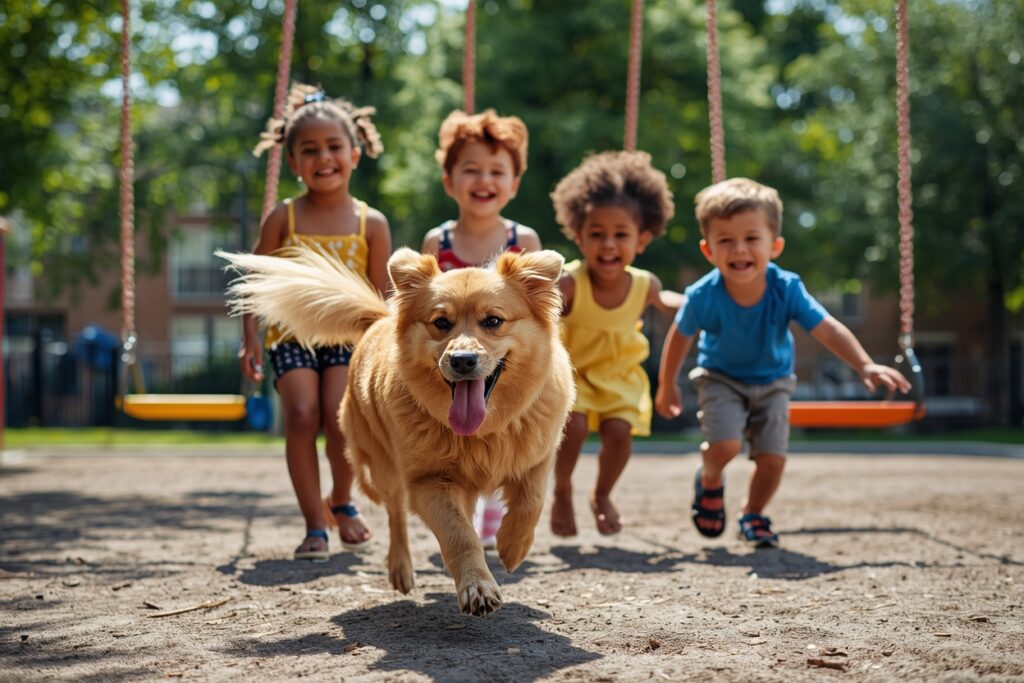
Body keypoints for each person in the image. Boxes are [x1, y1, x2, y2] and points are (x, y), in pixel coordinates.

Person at [654, 177, 911, 548]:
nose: (739, 249)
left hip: (774, 381)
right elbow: (680, 336)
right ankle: (710, 479)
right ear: (709, 250)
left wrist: (864, 364)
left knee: (772, 458)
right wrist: (667, 384)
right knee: (725, 446)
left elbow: (827, 329)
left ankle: (753, 514)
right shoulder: (702, 295)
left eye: (751, 238)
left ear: (774, 246)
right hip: (720, 378)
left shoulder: (786, 288)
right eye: (725, 240)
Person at [242, 83, 392, 561]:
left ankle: (341, 501)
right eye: (310, 150)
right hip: (291, 333)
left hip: (348, 336)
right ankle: (314, 525)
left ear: (354, 154)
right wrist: (249, 341)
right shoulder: (283, 218)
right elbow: (253, 284)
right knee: (303, 414)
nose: (322, 158)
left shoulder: (371, 223)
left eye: (333, 147)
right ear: (293, 162)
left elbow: (381, 301)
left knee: (340, 418)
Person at [420, 108, 542, 548]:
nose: (483, 180)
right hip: (452, 357)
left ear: (514, 184)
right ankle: (458, 513)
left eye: (496, 171)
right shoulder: (438, 242)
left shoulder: (522, 241)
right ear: (449, 181)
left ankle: (503, 494)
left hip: (499, 357)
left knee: (513, 424)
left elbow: (538, 309)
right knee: (454, 439)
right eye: (470, 170)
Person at [548, 150, 683, 537]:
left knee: (620, 433)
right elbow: (543, 314)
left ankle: (602, 494)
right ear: (578, 236)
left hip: (620, 374)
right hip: (575, 375)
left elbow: (666, 301)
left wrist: (696, 302)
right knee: (572, 427)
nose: (608, 244)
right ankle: (561, 488)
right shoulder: (571, 282)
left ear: (641, 240)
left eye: (620, 235)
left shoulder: (645, 284)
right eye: (596, 234)